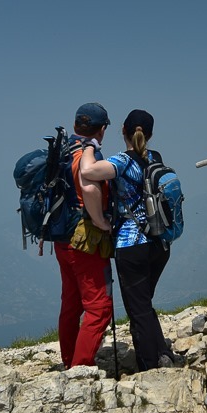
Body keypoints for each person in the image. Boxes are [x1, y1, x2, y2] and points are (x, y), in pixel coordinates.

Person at [78, 108, 178, 371]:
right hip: (159, 243)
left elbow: (87, 172)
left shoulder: (121, 162)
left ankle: (149, 365)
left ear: (123, 130)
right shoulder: (155, 157)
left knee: (138, 309)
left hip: (131, 245)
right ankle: (163, 352)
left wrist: (89, 145)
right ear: (151, 134)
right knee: (144, 302)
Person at [55, 102, 114, 369]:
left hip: (61, 239)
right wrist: (101, 222)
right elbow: (89, 189)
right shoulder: (89, 155)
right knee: (99, 307)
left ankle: (69, 361)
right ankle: (80, 370)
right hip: (85, 242)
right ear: (101, 130)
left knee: (72, 303)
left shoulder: (62, 149)